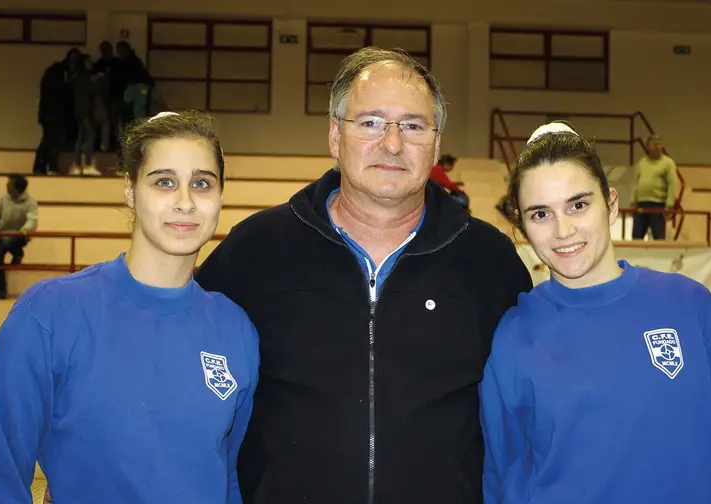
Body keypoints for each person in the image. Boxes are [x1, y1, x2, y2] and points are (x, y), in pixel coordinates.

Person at [195, 47, 533, 504]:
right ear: (336, 135)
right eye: (371, 122)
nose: (392, 144)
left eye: (413, 126)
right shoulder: (255, 251)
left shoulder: (489, 261)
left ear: (435, 143)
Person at [0, 111, 259, 504]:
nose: (185, 202)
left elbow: (228, 480)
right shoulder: (51, 314)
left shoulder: (235, 329)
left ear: (221, 196)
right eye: (164, 182)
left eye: (202, 184)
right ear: (130, 190)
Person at [479, 121, 711, 504]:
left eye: (579, 205)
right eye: (540, 214)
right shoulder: (513, 336)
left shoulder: (691, 307)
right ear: (521, 226)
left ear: (612, 204)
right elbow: (502, 475)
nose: (563, 230)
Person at [0, 174, 39, 299]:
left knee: (8, 242)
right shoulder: (3, 200)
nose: (7, 186)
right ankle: (1, 291)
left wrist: (25, 229)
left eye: (10, 185)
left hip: (19, 235)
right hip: (2, 233)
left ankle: (18, 253)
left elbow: (32, 219)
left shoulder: (30, 202)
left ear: (18, 188)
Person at [630, 134, 679, 240]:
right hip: (641, 204)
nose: (657, 147)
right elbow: (635, 182)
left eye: (659, 144)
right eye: (654, 144)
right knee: (637, 235)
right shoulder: (642, 162)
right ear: (648, 146)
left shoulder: (668, 163)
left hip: (658, 204)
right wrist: (632, 201)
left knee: (658, 236)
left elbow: (672, 183)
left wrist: (669, 204)